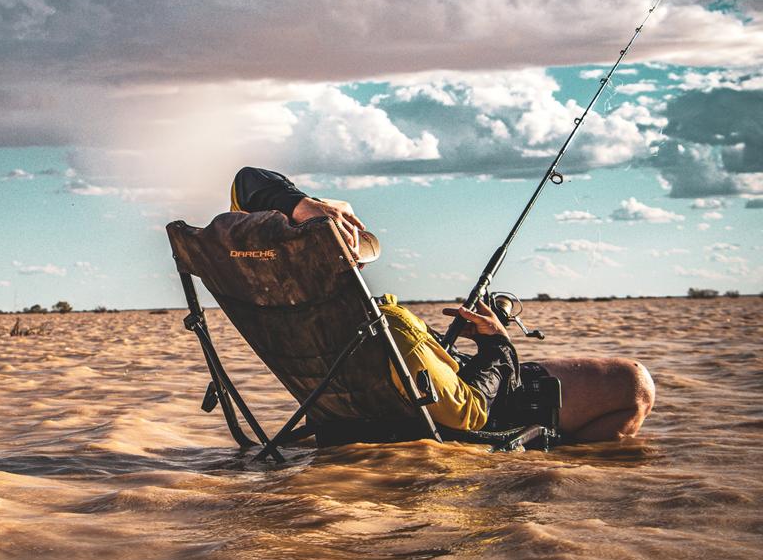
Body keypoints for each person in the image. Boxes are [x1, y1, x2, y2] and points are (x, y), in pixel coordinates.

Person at [231, 166, 656, 442]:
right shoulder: (385, 325)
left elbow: (246, 181)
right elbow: (467, 412)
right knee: (633, 384)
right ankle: (557, 451)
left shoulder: (269, 299)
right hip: (475, 414)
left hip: (357, 412)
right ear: (348, 254)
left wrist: (297, 205)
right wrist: (498, 348)